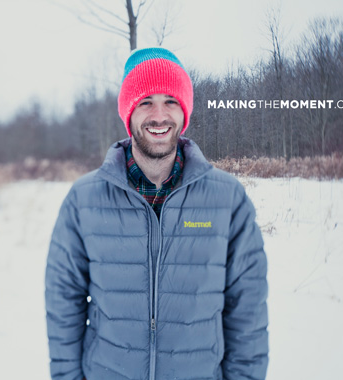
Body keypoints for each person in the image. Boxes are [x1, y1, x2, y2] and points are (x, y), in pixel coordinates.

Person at [45, 47, 268, 380]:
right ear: (129, 112)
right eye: (146, 101)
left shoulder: (227, 199)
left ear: (185, 111)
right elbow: (64, 301)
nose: (159, 115)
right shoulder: (84, 199)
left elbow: (247, 310)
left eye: (171, 101)